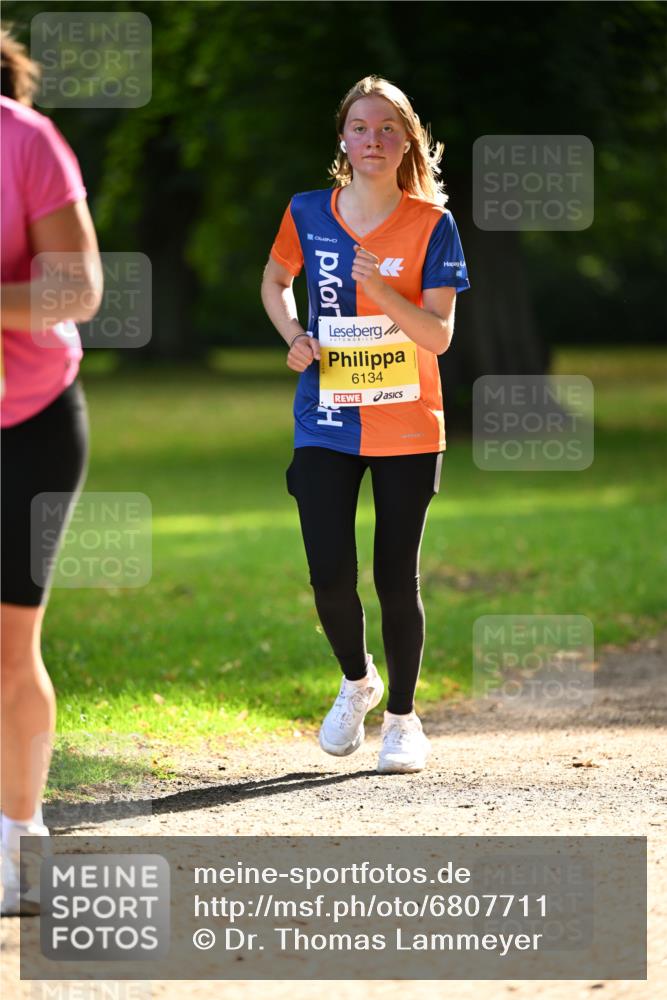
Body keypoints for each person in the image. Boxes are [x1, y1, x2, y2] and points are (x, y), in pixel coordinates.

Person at [261, 75, 470, 774]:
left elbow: (437, 336)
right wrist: (291, 331)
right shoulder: (305, 210)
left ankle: (404, 721)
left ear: (406, 139)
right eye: (359, 127)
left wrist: (380, 289)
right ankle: (357, 683)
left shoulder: (431, 225)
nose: (372, 140)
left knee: (392, 574)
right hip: (324, 417)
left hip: (408, 423)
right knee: (327, 574)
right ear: (342, 139)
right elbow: (272, 279)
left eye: (387, 128)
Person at [0, 30, 102, 914]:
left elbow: (76, 288)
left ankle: (16, 842)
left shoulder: (25, 141)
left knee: (8, 647)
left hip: (24, 420)